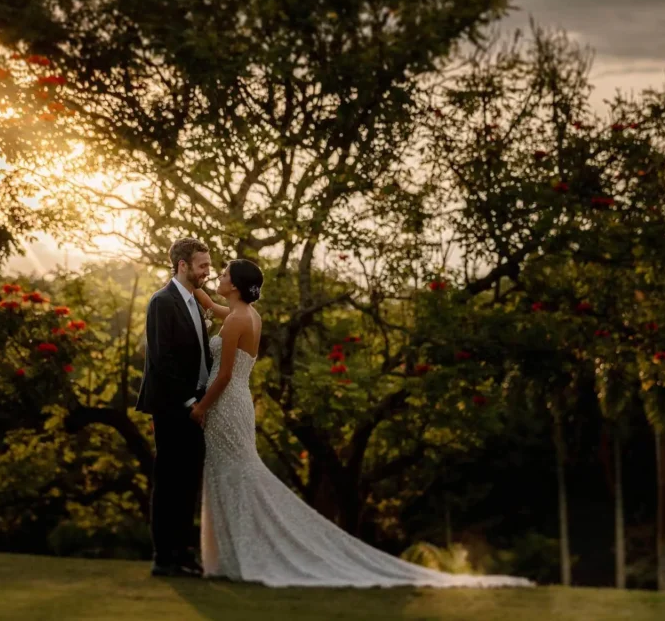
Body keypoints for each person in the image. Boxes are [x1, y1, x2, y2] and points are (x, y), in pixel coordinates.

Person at [189, 258, 534, 589]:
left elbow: (225, 374)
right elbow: (211, 306)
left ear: (234, 284)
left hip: (226, 402)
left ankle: (240, 556)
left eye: (222, 274)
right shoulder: (245, 314)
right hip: (236, 404)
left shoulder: (236, 320)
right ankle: (232, 557)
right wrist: (192, 282)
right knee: (230, 474)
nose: (217, 277)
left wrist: (202, 407)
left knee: (235, 475)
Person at [135, 237, 213, 577]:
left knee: (189, 481)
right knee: (168, 481)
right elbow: (161, 360)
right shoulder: (161, 302)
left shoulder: (197, 301)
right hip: (171, 405)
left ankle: (184, 553)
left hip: (195, 404)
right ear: (183, 266)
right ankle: (163, 557)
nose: (207, 272)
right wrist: (189, 401)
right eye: (202, 266)